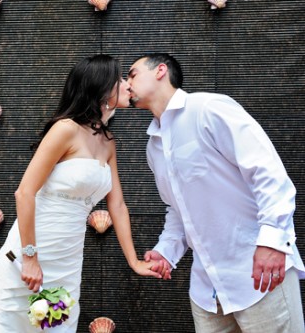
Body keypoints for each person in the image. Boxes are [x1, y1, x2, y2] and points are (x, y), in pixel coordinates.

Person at [0, 54, 162, 332]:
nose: (127, 85)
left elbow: (119, 206)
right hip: (31, 253)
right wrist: (30, 258)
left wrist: (134, 261)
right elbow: (24, 193)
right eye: (120, 79)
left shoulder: (107, 142)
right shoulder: (65, 129)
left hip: (67, 260)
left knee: (54, 326)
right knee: (3, 322)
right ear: (101, 87)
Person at [127, 52, 305, 332]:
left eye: (133, 73)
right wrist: (166, 252)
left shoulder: (208, 108)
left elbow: (267, 171)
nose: (126, 82)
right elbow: (177, 209)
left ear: (161, 71)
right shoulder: (154, 147)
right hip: (206, 291)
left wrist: (273, 241)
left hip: (259, 276)